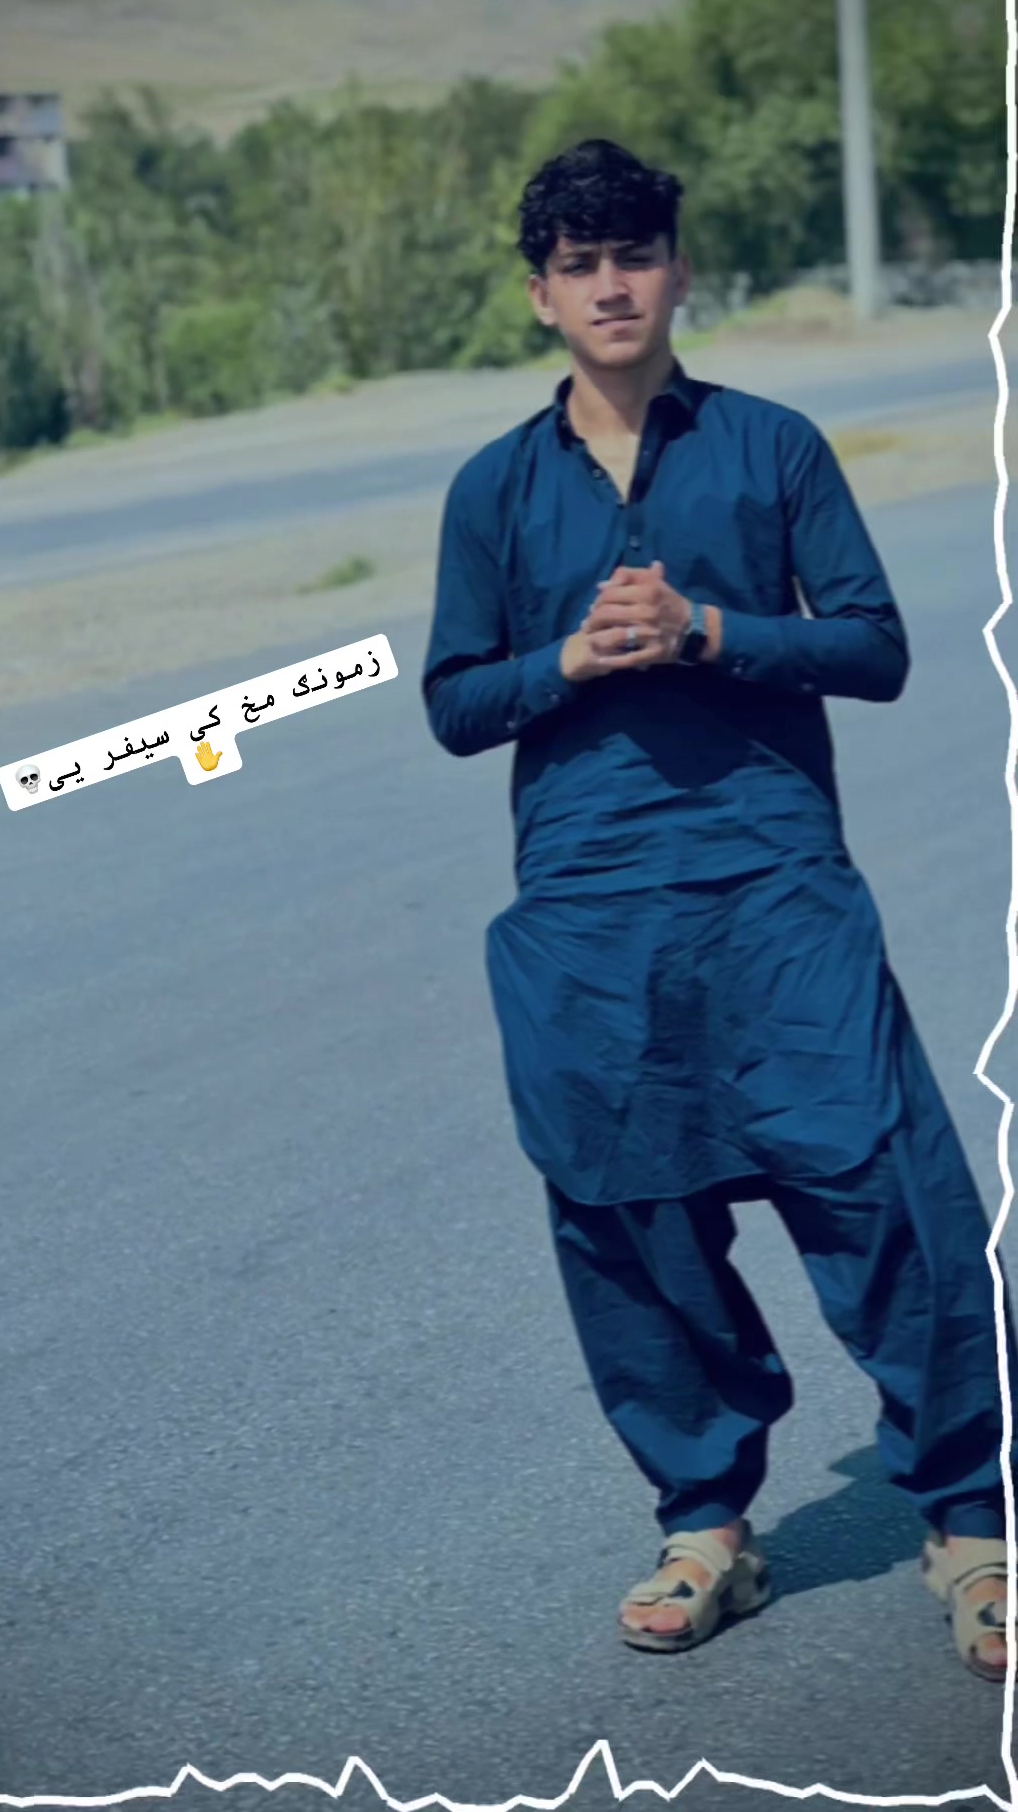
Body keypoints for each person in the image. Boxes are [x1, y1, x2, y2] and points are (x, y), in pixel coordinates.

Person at [421, 138, 1014, 1680]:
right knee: (627, 1215)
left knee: (886, 1191)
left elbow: (873, 646)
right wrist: (570, 659)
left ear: (678, 271)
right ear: (541, 295)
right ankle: (707, 1528)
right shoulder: (494, 489)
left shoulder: (773, 449)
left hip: (776, 886)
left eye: (636, 255)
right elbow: (455, 702)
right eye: (579, 264)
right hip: (591, 908)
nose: (612, 286)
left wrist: (708, 630)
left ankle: (971, 1524)